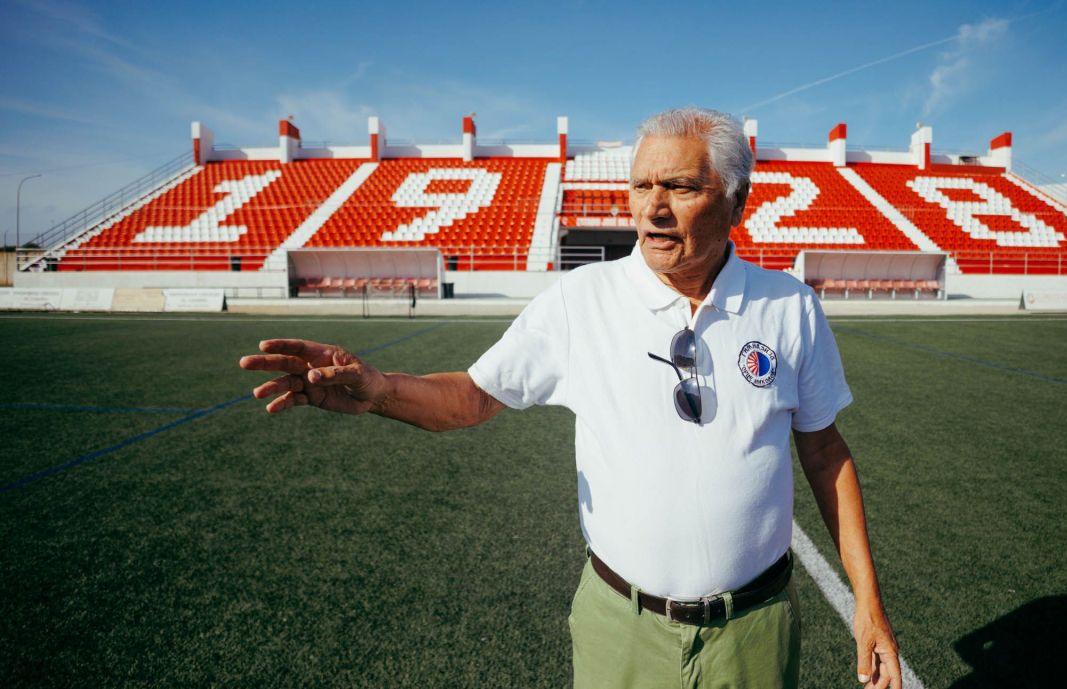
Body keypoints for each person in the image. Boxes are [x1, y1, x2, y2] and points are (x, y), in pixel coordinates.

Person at [239, 107, 901, 689]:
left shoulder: (790, 308)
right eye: (641, 185)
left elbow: (823, 453)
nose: (653, 206)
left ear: (737, 200)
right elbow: (473, 396)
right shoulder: (579, 301)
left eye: (679, 186)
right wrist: (382, 391)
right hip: (622, 625)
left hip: (755, 630)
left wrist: (867, 603)